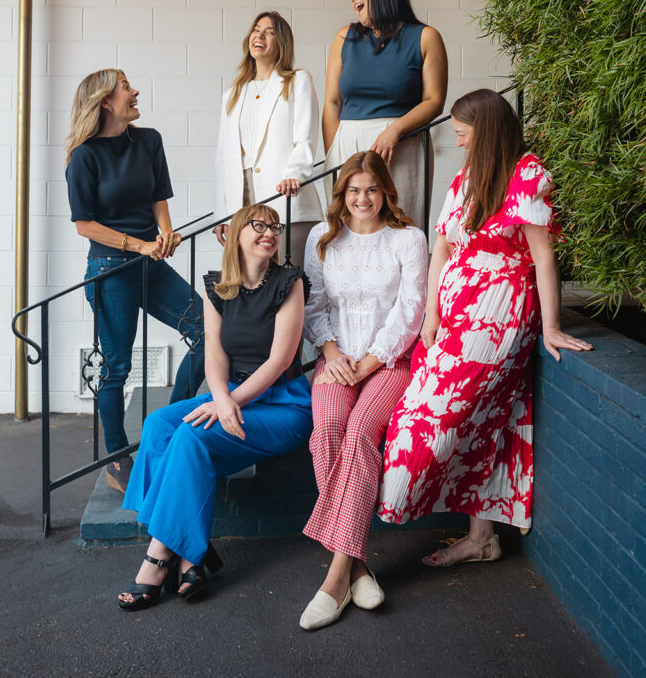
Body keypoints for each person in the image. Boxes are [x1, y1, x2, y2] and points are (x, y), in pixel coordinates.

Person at [377, 89, 593, 563]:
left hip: (498, 320)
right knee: (488, 420)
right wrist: (432, 316)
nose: (457, 141)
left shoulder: (528, 174)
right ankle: (482, 538)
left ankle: (410, 506)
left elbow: (542, 256)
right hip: (453, 319)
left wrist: (551, 326)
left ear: (488, 130)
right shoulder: (465, 179)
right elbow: (441, 252)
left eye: (462, 132)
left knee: (431, 421)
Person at [118, 203, 312, 611]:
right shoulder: (217, 286)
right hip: (231, 395)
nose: (269, 232)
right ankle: (192, 553)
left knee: (190, 436)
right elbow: (214, 356)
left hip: (282, 403)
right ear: (236, 234)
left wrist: (229, 403)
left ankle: (159, 559)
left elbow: (279, 362)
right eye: (258, 225)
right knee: (157, 425)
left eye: (274, 227)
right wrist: (221, 399)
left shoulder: (289, 283)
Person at [299, 151, 428, 630]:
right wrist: (333, 357)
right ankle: (357, 564)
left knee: (359, 433)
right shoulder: (322, 237)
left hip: (390, 362)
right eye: (353, 190)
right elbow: (314, 303)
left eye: (371, 189)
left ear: (386, 191)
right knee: (329, 427)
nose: (362, 199)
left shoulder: (408, 239)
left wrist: (369, 362)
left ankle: (334, 577)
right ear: (342, 194)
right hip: (336, 360)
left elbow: (411, 309)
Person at [65, 69, 205, 494]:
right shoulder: (83, 156)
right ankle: (118, 458)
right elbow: (85, 225)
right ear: (106, 101)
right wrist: (138, 245)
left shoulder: (148, 141)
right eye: (126, 86)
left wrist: (164, 233)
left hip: (149, 263)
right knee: (117, 367)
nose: (135, 90)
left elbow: (157, 197)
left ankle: (171, 427)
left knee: (207, 331)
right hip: (109, 269)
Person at [322, 0, 447, 226]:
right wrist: (334, 152)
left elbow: (434, 101)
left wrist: (396, 129)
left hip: (402, 145)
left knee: (402, 223)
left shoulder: (426, 37)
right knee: (348, 228)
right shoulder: (344, 37)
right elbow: (332, 102)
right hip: (348, 143)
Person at [213, 10, 323, 267]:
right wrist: (222, 215)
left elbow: (306, 137)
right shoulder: (232, 94)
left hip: (287, 198)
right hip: (243, 202)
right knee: (251, 283)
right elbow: (223, 158)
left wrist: (295, 174)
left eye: (269, 32)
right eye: (256, 29)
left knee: (289, 281)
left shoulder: (297, 81)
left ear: (281, 42)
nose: (259, 35)